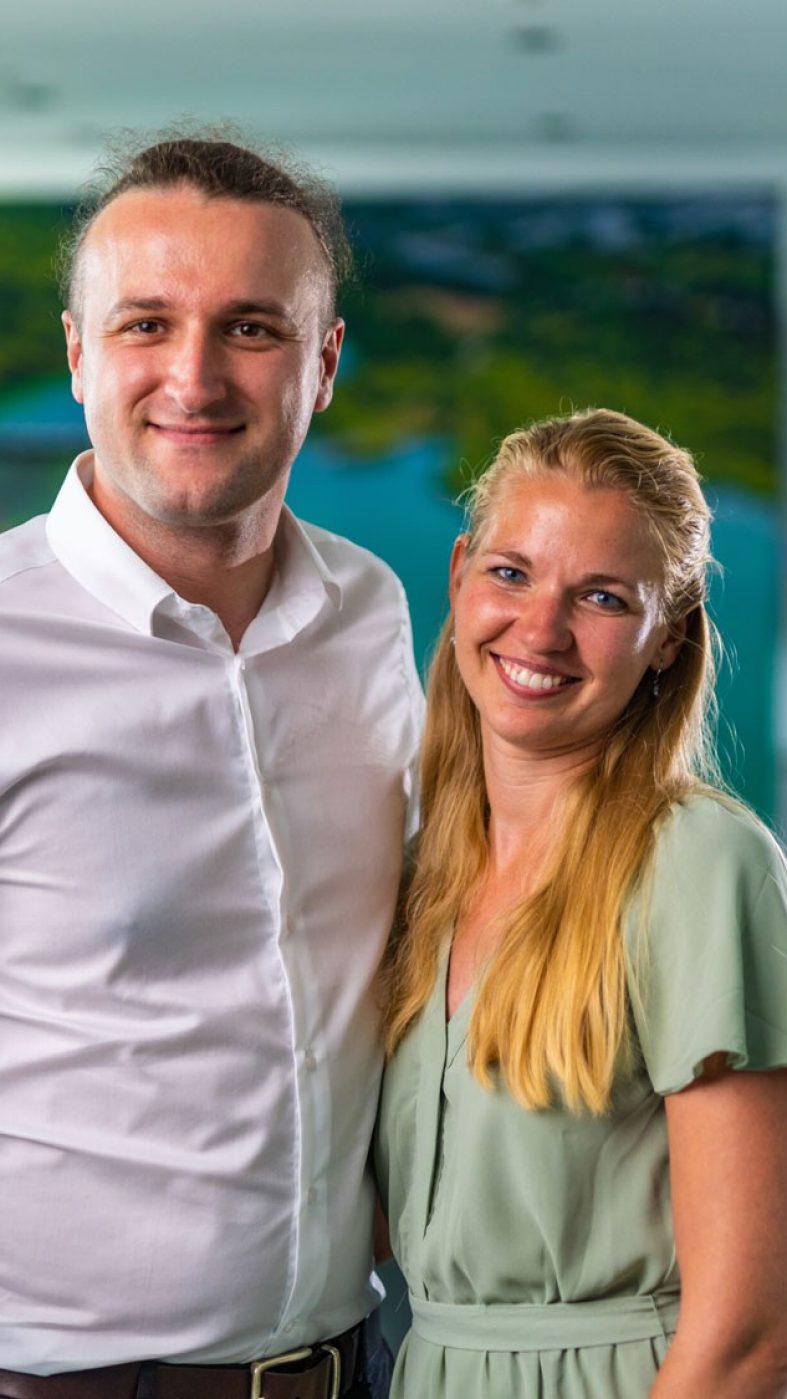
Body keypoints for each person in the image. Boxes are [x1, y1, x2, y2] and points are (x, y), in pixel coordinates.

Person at [0, 133, 423, 1396]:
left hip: (353, 1364)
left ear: (324, 363)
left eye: (250, 326)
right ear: (79, 354)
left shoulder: (374, 610)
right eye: (144, 323)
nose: (193, 375)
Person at [375, 408, 787, 1398]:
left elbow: (750, 1340)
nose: (540, 630)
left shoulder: (699, 862)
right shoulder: (418, 869)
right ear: (460, 574)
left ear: (665, 640)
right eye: (511, 573)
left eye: (601, 597)